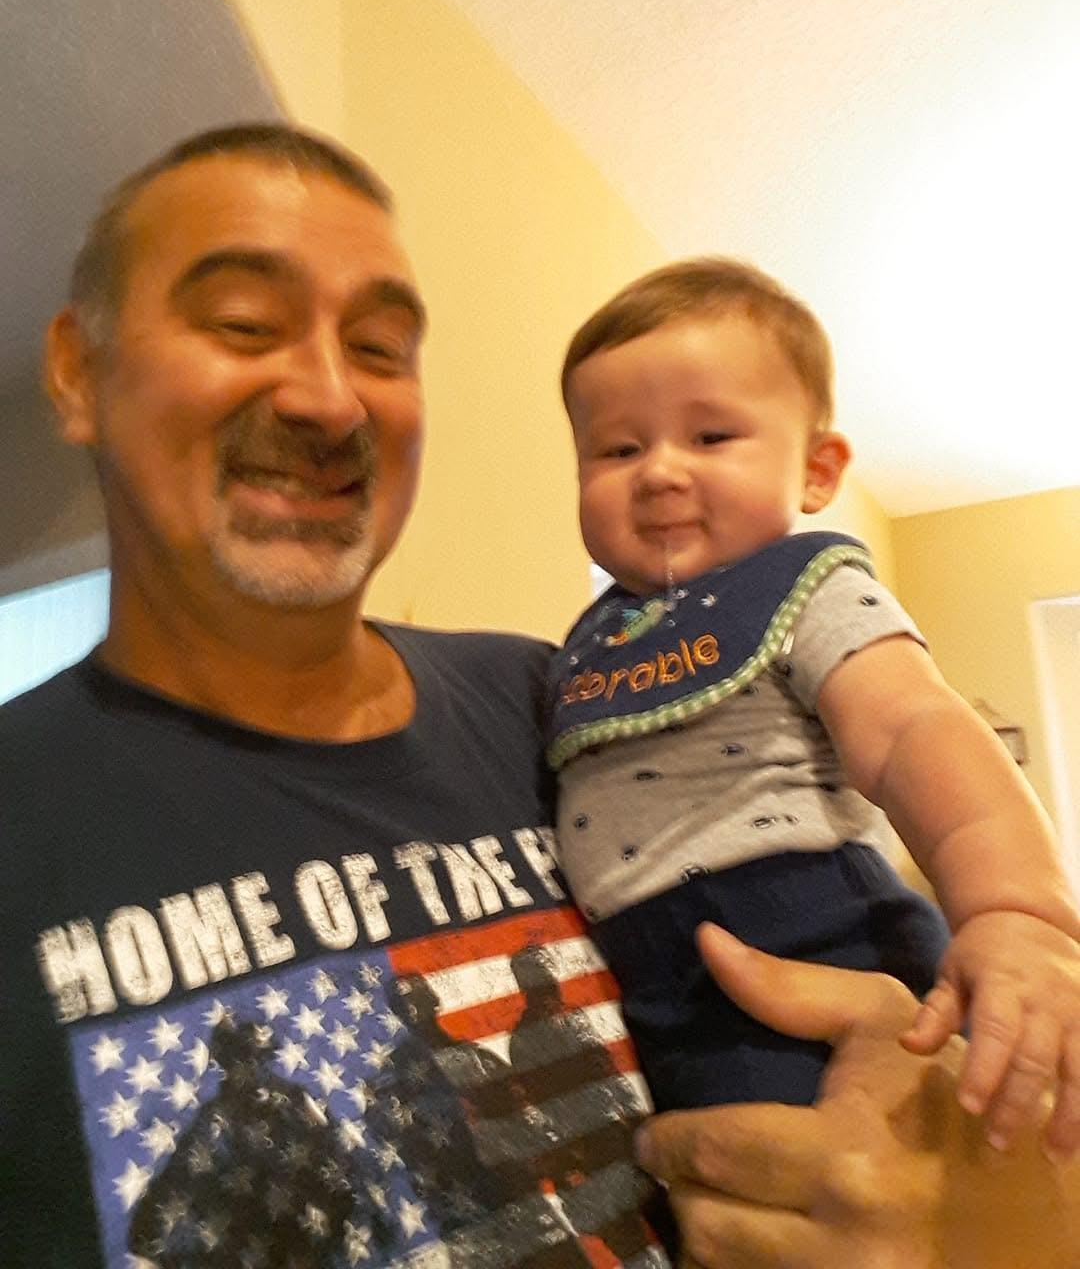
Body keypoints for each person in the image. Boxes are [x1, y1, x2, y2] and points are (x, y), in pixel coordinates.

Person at [1, 125, 1076, 1269]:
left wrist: (1012, 1225)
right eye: (243, 326)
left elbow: (912, 742)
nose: (327, 398)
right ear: (76, 371)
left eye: (378, 347)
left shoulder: (546, 702)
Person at [549, 256, 1080, 1156]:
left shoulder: (805, 587)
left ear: (817, 470)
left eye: (711, 437)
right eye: (619, 449)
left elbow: (916, 728)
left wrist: (1013, 911)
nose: (660, 472)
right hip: (653, 986)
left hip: (810, 934)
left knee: (852, 1177)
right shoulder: (589, 645)